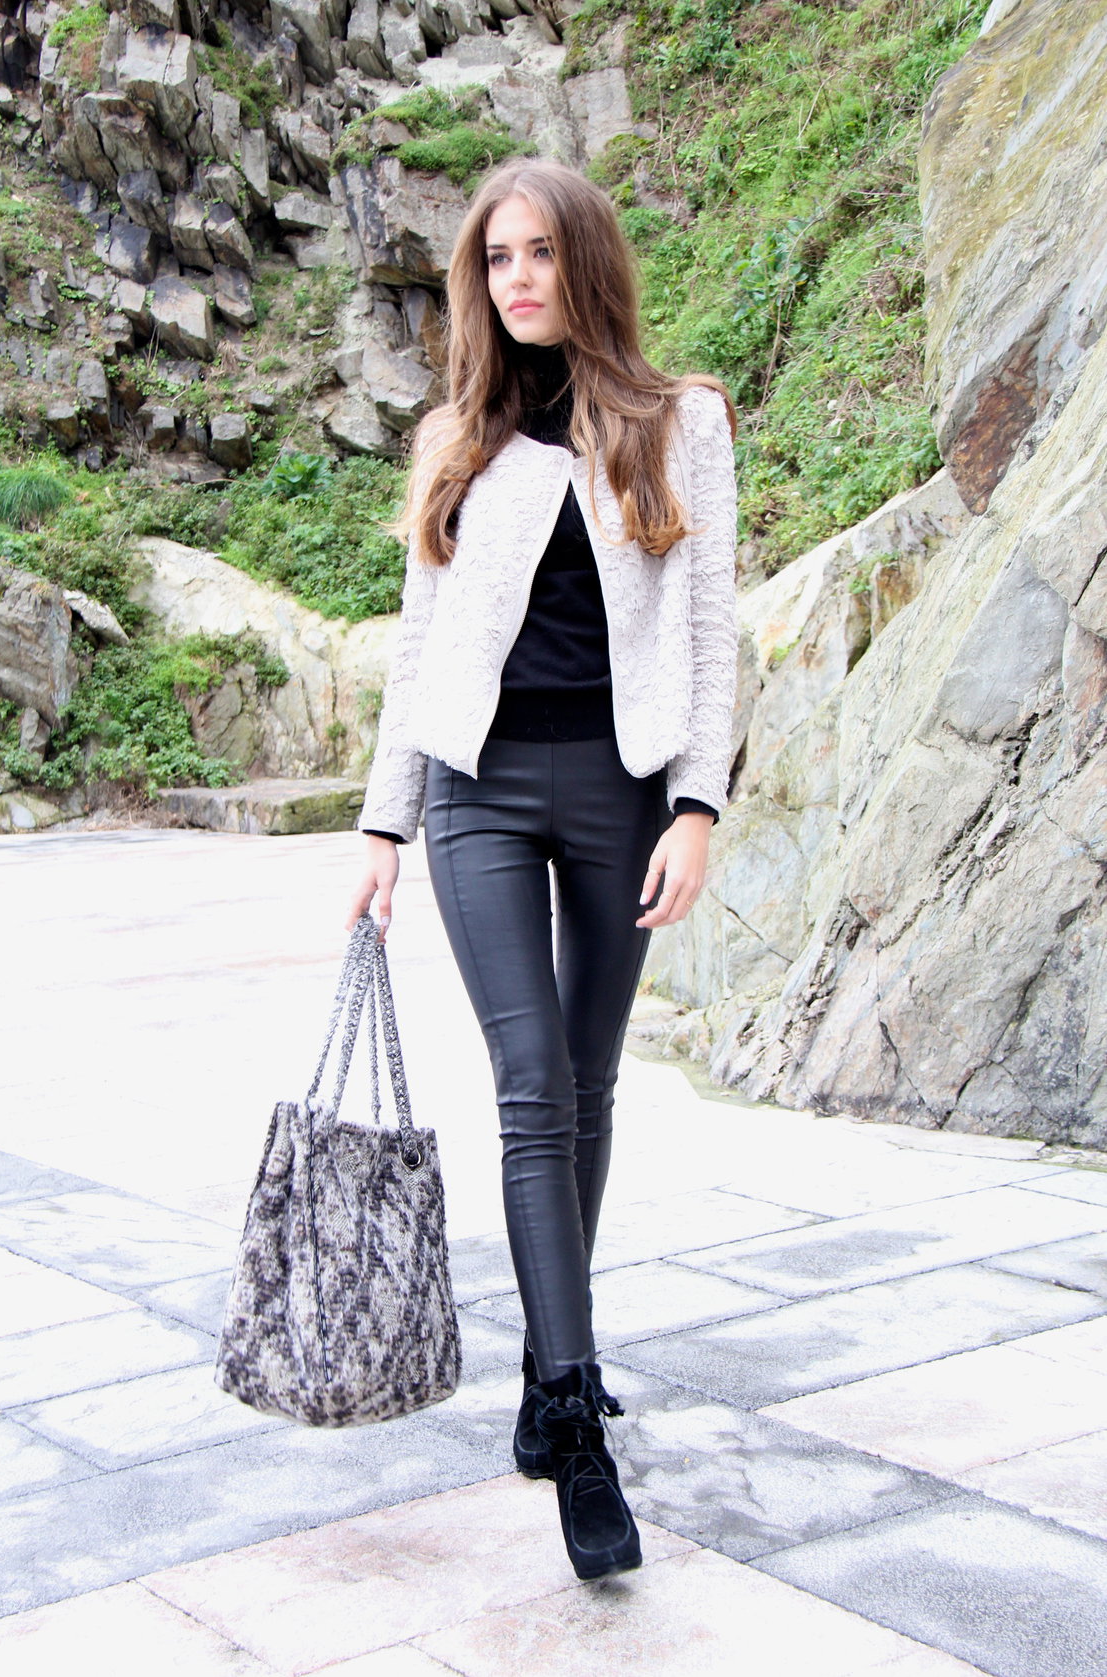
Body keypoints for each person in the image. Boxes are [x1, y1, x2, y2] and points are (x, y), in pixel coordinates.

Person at [347, 157, 737, 1581]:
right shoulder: (457, 437)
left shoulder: (680, 423)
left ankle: (541, 1360)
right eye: (496, 259)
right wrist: (383, 826)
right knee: (531, 1086)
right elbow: (418, 646)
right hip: (479, 791)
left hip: (624, 790)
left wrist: (697, 804)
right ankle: (574, 1418)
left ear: (585, 262)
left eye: (539, 253)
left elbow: (710, 623)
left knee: (588, 1080)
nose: (516, 279)